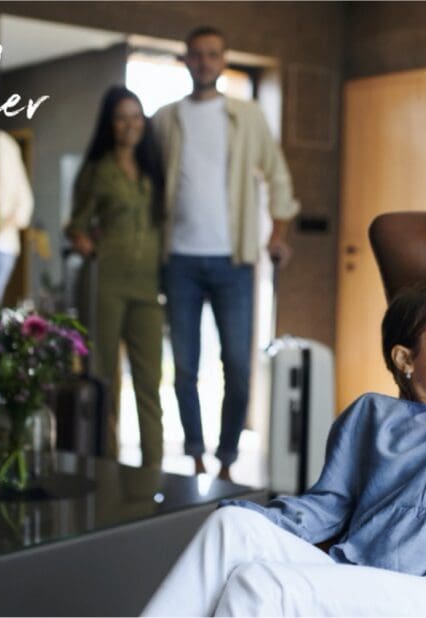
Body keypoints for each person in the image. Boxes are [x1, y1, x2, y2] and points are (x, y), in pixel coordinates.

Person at [141, 153, 426, 617]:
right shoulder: (369, 415)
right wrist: (264, 525)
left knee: (260, 588)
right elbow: (328, 504)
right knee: (231, 526)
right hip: (365, 573)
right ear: (405, 360)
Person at [151, 25, 300, 481]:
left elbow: (278, 177)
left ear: (223, 59)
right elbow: (148, 187)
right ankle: (194, 454)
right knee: (184, 367)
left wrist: (277, 234)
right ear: (186, 60)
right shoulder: (165, 119)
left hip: (234, 260)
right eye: (195, 55)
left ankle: (228, 458)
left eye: (212, 55)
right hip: (178, 259)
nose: (204, 62)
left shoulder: (246, 115)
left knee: (237, 365)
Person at [65, 86, 166, 468]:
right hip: (106, 283)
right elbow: (75, 225)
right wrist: (87, 245)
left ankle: (153, 471)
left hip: (147, 287)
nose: (130, 124)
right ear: (110, 124)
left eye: (136, 116)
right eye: (122, 117)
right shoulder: (97, 171)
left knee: (150, 383)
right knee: (104, 379)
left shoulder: (153, 170)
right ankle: (107, 464)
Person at [0, 129, 34, 304]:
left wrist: (3, 223)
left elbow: (25, 204)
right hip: (3, 243)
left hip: (2, 241)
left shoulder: (6, 145)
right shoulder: (7, 145)